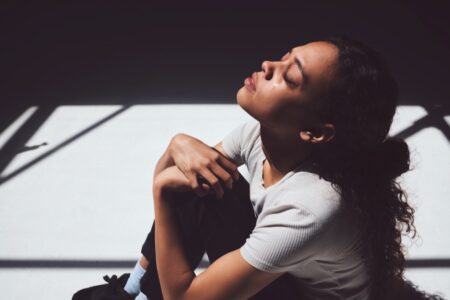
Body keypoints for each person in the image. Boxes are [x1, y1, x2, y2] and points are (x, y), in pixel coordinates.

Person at [73, 35, 442, 300]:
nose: (268, 66)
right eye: (283, 57)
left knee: (184, 190)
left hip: (296, 293)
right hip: (288, 277)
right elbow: (187, 177)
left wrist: (162, 192)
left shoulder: (311, 208)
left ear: (314, 132)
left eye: (289, 77)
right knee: (203, 183)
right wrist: (178, 143)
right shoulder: (259, 135)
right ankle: (132, 289)